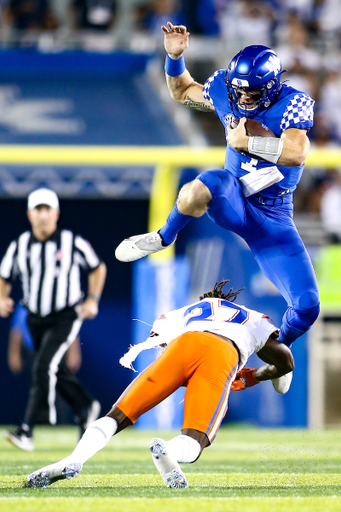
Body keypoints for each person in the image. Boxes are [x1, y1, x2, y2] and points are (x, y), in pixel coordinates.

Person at [115, 21, 320, 348]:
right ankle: (163, 236)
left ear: (271, 87)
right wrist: (174, 58)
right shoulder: (226, 88)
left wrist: (248, 143)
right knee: (210, 180)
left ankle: (277, 354)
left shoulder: (292, 102)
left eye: (251, 92)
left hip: (273, 216)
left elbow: (296, 153)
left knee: (307, 306)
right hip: (234, 199)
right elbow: (182, 91)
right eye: (239, 90)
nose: (242, 97)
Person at [26, 279, 294, 489]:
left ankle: (74, 459)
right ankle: (169, 450)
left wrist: (182, 373)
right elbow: (285, 359)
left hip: (182, 345)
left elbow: (161, 343)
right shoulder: (252, 316)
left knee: (117, 416)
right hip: (223, 353)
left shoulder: (183, 313)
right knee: (195, 441)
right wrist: (259, 375)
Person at [0, 188, 107, 451]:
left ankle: (28, 429)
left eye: (48, 209)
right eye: (38, 209)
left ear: (57, 214)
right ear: (29, 214)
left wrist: (92, 298)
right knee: (55, 370)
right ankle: (85, 406)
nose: (43, 215)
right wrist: (2, 297)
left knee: (42, 366)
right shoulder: (20, 246)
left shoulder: (71, 242)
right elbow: (4, 275)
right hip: (35, 318)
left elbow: (97, 267)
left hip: (66, 315)